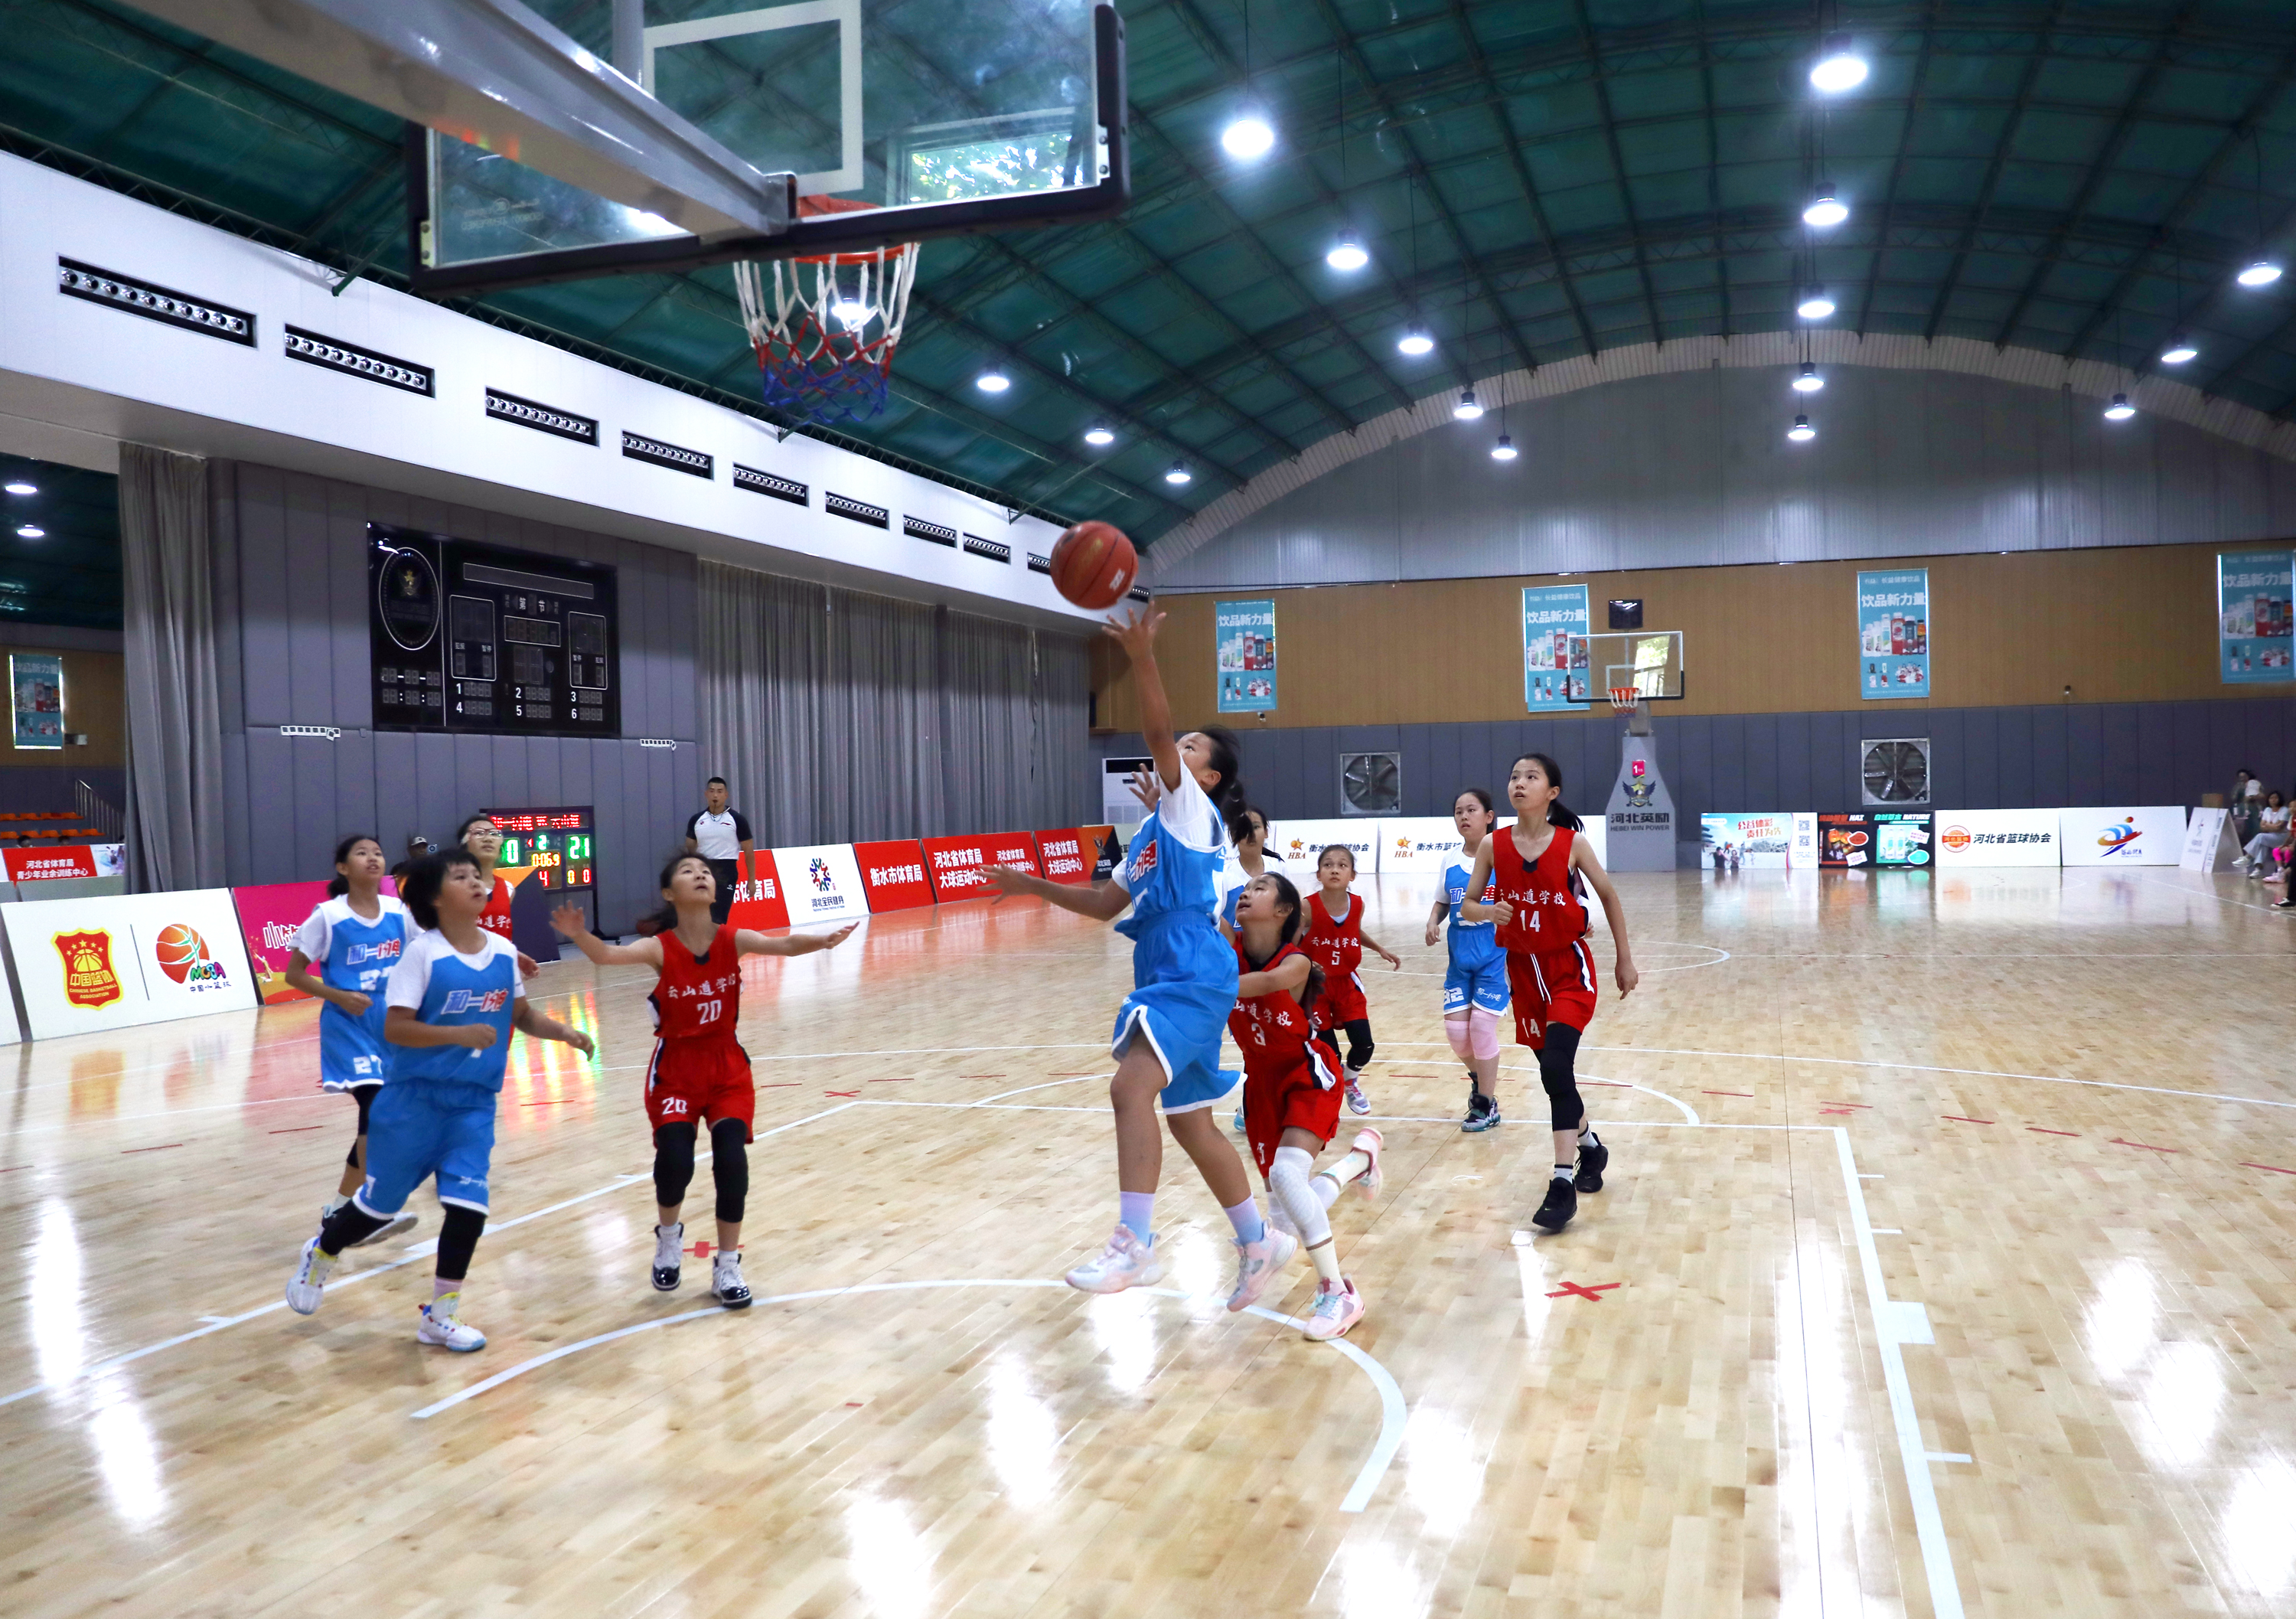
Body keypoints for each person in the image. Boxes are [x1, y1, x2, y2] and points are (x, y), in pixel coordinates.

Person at [980, 605, 1287, 1308]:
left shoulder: (1191, 809)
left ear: (1207, 776)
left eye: (1191, 746)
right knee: (1190, 1121)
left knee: (1129, 1089)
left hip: (1190, 965)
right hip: (1169, 964)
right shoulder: (1153, 828)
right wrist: (1030, 883)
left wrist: (1143, 656)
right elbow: (1102, 904)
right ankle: (1258, 1240)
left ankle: (1136, 1244)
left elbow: (1153, 731)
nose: (1177, 746)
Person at [283, 848, 595, 1350]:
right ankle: (321, 1252)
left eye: (476, 876)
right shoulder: (421, 954)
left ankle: (440, 1314)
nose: (475, 882)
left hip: (473, 1104)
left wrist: (564, 1032)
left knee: (469, 1207)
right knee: (378, 1209)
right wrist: (458, 1034)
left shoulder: (502, 951)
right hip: (412, 1103)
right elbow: (396, 1028)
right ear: (434, 898)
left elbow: (522, 1015)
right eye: (460, 876)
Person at [551, 856, 853, 1307]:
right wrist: (579, 935)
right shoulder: (659, 947)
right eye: (688, 871)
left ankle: (727, 1265)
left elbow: (786, 944)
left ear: (715, 890)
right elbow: (606, 955)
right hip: (676, 1070)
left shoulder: (734, 938)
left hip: (727, 1066)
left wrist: (823, 941)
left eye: (706, 872)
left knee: (732, 1161)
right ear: (669, 893)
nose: (700, 875)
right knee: (676, 1160)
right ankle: (668, 1237)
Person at [1461, 752, 1641, 1235]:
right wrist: (1488, 913)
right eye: (1514, 776)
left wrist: (1624, 959)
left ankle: (1561, 1183)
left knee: (1558, 1067)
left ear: (1552, 792)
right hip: (1523, 974)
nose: (1519, 783)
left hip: (1568, 970)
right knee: (1553, 1075)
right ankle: (1590, 1148)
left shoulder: (1572, 843)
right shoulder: (1493, 845)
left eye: (1531, 776)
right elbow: (1470, 904)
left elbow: (1609, 896)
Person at [1230, 870, 1382, 1339]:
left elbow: (1259, 983)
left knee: (1284, 1176)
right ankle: (1358, 1161)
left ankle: (1338, 1291)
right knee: (1288, 1219)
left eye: (1260, 889)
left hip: (1307, 1075)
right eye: (1246, 887)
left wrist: (1194, 981)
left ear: (1283, 912)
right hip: (1260, 1084)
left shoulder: (1294, 963)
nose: (1246, 892)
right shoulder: (1227, 950)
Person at [282, 834, 416, 1245]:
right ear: (343, 867)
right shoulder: (328, 916)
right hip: (348, 1025)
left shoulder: (399, 911)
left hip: (391, 1023)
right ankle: (364, 1209)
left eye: (378, 852)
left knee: (384, 1122)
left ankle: (341, 1212)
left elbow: (430, 950)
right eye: (362, 853)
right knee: (375, 1110)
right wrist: (338, 995)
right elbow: (294, 974)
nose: (373, 858)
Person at [1424, 789, 1508, 1132]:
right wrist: (1433, 921)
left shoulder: (1505, 857)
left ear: (1489, 816)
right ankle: (1481, 1080)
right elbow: (1443, 900)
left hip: (1495, 956)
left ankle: (1485, 1103)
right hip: (1459, 959)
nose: (1464, 816)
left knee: (1482, 1027)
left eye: (1471, 810)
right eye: (1458, 811)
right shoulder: (1449, 860)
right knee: (1457, 1032)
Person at [1300, 844, 1401, 1116]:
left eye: (1342, 865)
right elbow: (1290, 940)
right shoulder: (1307, 907)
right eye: (1328, 865)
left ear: (1352, 875)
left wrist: (1379, 948)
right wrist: (1301, 963)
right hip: (1315, 987)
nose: (1335, 870)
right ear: (1319, 874)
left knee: (1365, 1045)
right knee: (1329, 1053)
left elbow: (1353, 930)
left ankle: (1350, 1080)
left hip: (1346, 983)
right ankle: (1328, 1099)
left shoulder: (1357, 904)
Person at [455, 814, 540, 977]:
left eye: (494, 834)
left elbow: (497, 937)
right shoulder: (451, 888)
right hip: (463, 974)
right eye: (479, 833)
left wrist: (514, 954)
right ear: (464, 845)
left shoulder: (508, 889)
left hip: (500, 975)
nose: (488, 838)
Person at [685, 778, 756, 926]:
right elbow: (690, 848)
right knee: (703, 914)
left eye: (719, 791)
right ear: (706, 794)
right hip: (703, 870)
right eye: (712, 791)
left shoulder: (737, 820)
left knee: (719, 915)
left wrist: (751, 880)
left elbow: (749, 852)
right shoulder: (696, 820)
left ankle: (716, 939)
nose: (715, 795)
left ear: (726, 795)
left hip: (727, 871)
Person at [2237, 790, 2289, 877]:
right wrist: (2272, 826)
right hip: (2270, 836)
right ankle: (2258, 870)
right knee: (2262, 844)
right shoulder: (2267, 810)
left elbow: (2279, 828)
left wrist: (2268, 825)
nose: (2273, 800)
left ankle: (2248, 857)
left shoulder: (2284, 810)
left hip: (2282, 838)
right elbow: (2262, 827)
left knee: (2261, 837)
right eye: (2271, 798)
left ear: (2280, 799)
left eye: (2276, 798)